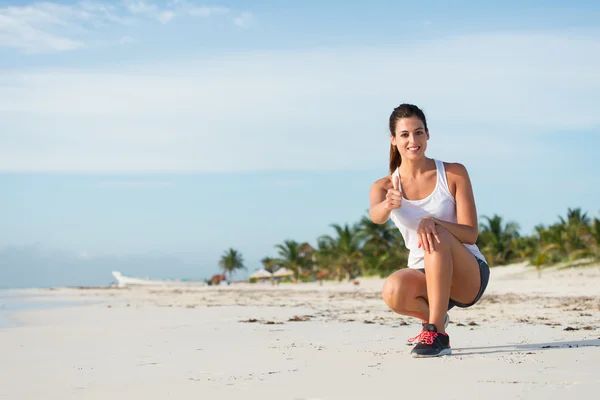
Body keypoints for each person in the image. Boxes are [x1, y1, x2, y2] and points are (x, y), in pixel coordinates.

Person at [368, 103, 490, 358]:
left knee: (436, 235)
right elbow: (376, 217)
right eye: (404, 135)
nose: (413, 140)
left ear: (427, 134)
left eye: (419, 132)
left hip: (466, 273)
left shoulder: (454, 173)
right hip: (424, 275)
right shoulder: (385, 186)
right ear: (393, 140)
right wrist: (387, 204)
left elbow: (470, 234)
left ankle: (437, 334)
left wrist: (434, 222)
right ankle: (435, 316)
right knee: (392, 290)